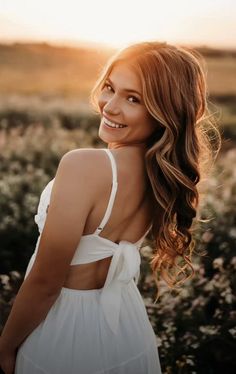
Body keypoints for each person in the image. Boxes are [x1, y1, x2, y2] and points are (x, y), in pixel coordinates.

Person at [0, 41, 221, 374]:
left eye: (133, 99)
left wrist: (5, 346)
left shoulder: (83, 165)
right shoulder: (161, 173)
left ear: (165, 111)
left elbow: (46, 282)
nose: (110, 106)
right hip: (124, 326)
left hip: (63, 329)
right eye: (109, 88)